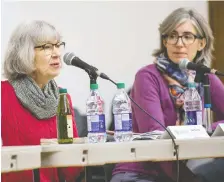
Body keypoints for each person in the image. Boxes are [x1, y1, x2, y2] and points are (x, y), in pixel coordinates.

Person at [110, 7, 224, 182]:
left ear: (201, 43)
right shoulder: (147, 77)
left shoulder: (206, 78)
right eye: (172, 36)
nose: (179, 43)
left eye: (187, 36)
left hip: (187, 170)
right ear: (165, 41)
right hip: (141, 172)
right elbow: (157, 138)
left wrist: (208, 130)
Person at [1, 20, 83, 182]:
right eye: (46, 47)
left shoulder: (63, 98)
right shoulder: (4, 94)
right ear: (24, 54)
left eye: (58, 45)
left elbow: (72, 163)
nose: (57, 53)